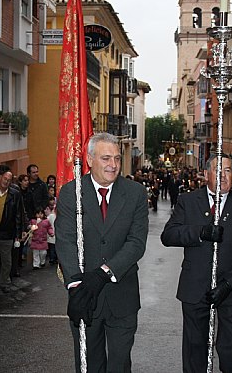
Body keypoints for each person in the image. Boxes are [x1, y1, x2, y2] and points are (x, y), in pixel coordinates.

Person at [56, 132, 149, 372]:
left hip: (123, 297)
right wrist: (76, 286)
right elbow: (66, 241)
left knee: (119, 365)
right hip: (85, 296)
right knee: (88, 365)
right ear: (89, 159)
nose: (113, 165)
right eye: (106, 158)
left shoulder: (135, 193)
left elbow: (136, 243)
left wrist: (104, 273)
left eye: (117, 158)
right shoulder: (71, 193)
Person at [161, 153, 232, 373]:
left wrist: (229, 284)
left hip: (231, 288)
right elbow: (168, 236)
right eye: (217, 170)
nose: (222, 176)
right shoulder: (188, 202)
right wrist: (200, 232)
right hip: (195, 287)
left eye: (227, 171)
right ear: (205, 174)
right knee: (195, 349)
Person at [0, 165, 27, 292]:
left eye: (9, 180)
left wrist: (20, 231)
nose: (7, 182)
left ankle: (4, 282)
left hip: (7, 231)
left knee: (6, 260)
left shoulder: (15, 194)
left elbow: (19, 213)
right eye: (5, 179)